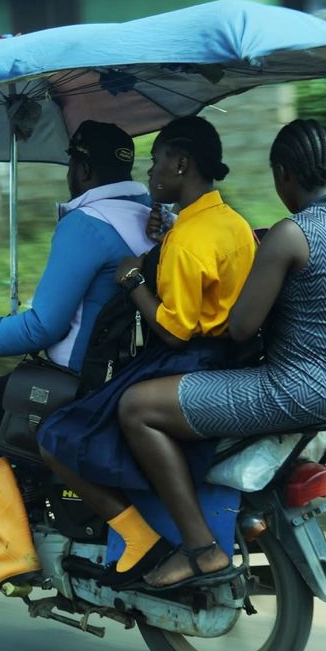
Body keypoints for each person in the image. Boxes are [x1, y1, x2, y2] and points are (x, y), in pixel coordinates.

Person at [117, 118, 326, 590]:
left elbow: (243, 325)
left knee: (136, 408)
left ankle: (201, 549)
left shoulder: (290, 234)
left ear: (283, 174)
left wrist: (269, 266)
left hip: (294, 389)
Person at [0, 120, 155, 597]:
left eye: (72, 164)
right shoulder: (153, 216)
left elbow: (41, 326)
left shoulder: (88, 226)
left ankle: (11, 550)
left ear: (82, 167)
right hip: (127, 374)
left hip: (73, 382)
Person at [36, 115, 256, 588]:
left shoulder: (189, 240)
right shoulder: (228, 222)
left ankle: (169, 543)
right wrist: (163, 242)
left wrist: (134, 280)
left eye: (156, 162)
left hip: (186, 356)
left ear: (180, 164)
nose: (149, 174)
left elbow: (175, 331)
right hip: (226, 356)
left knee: (60, 434)